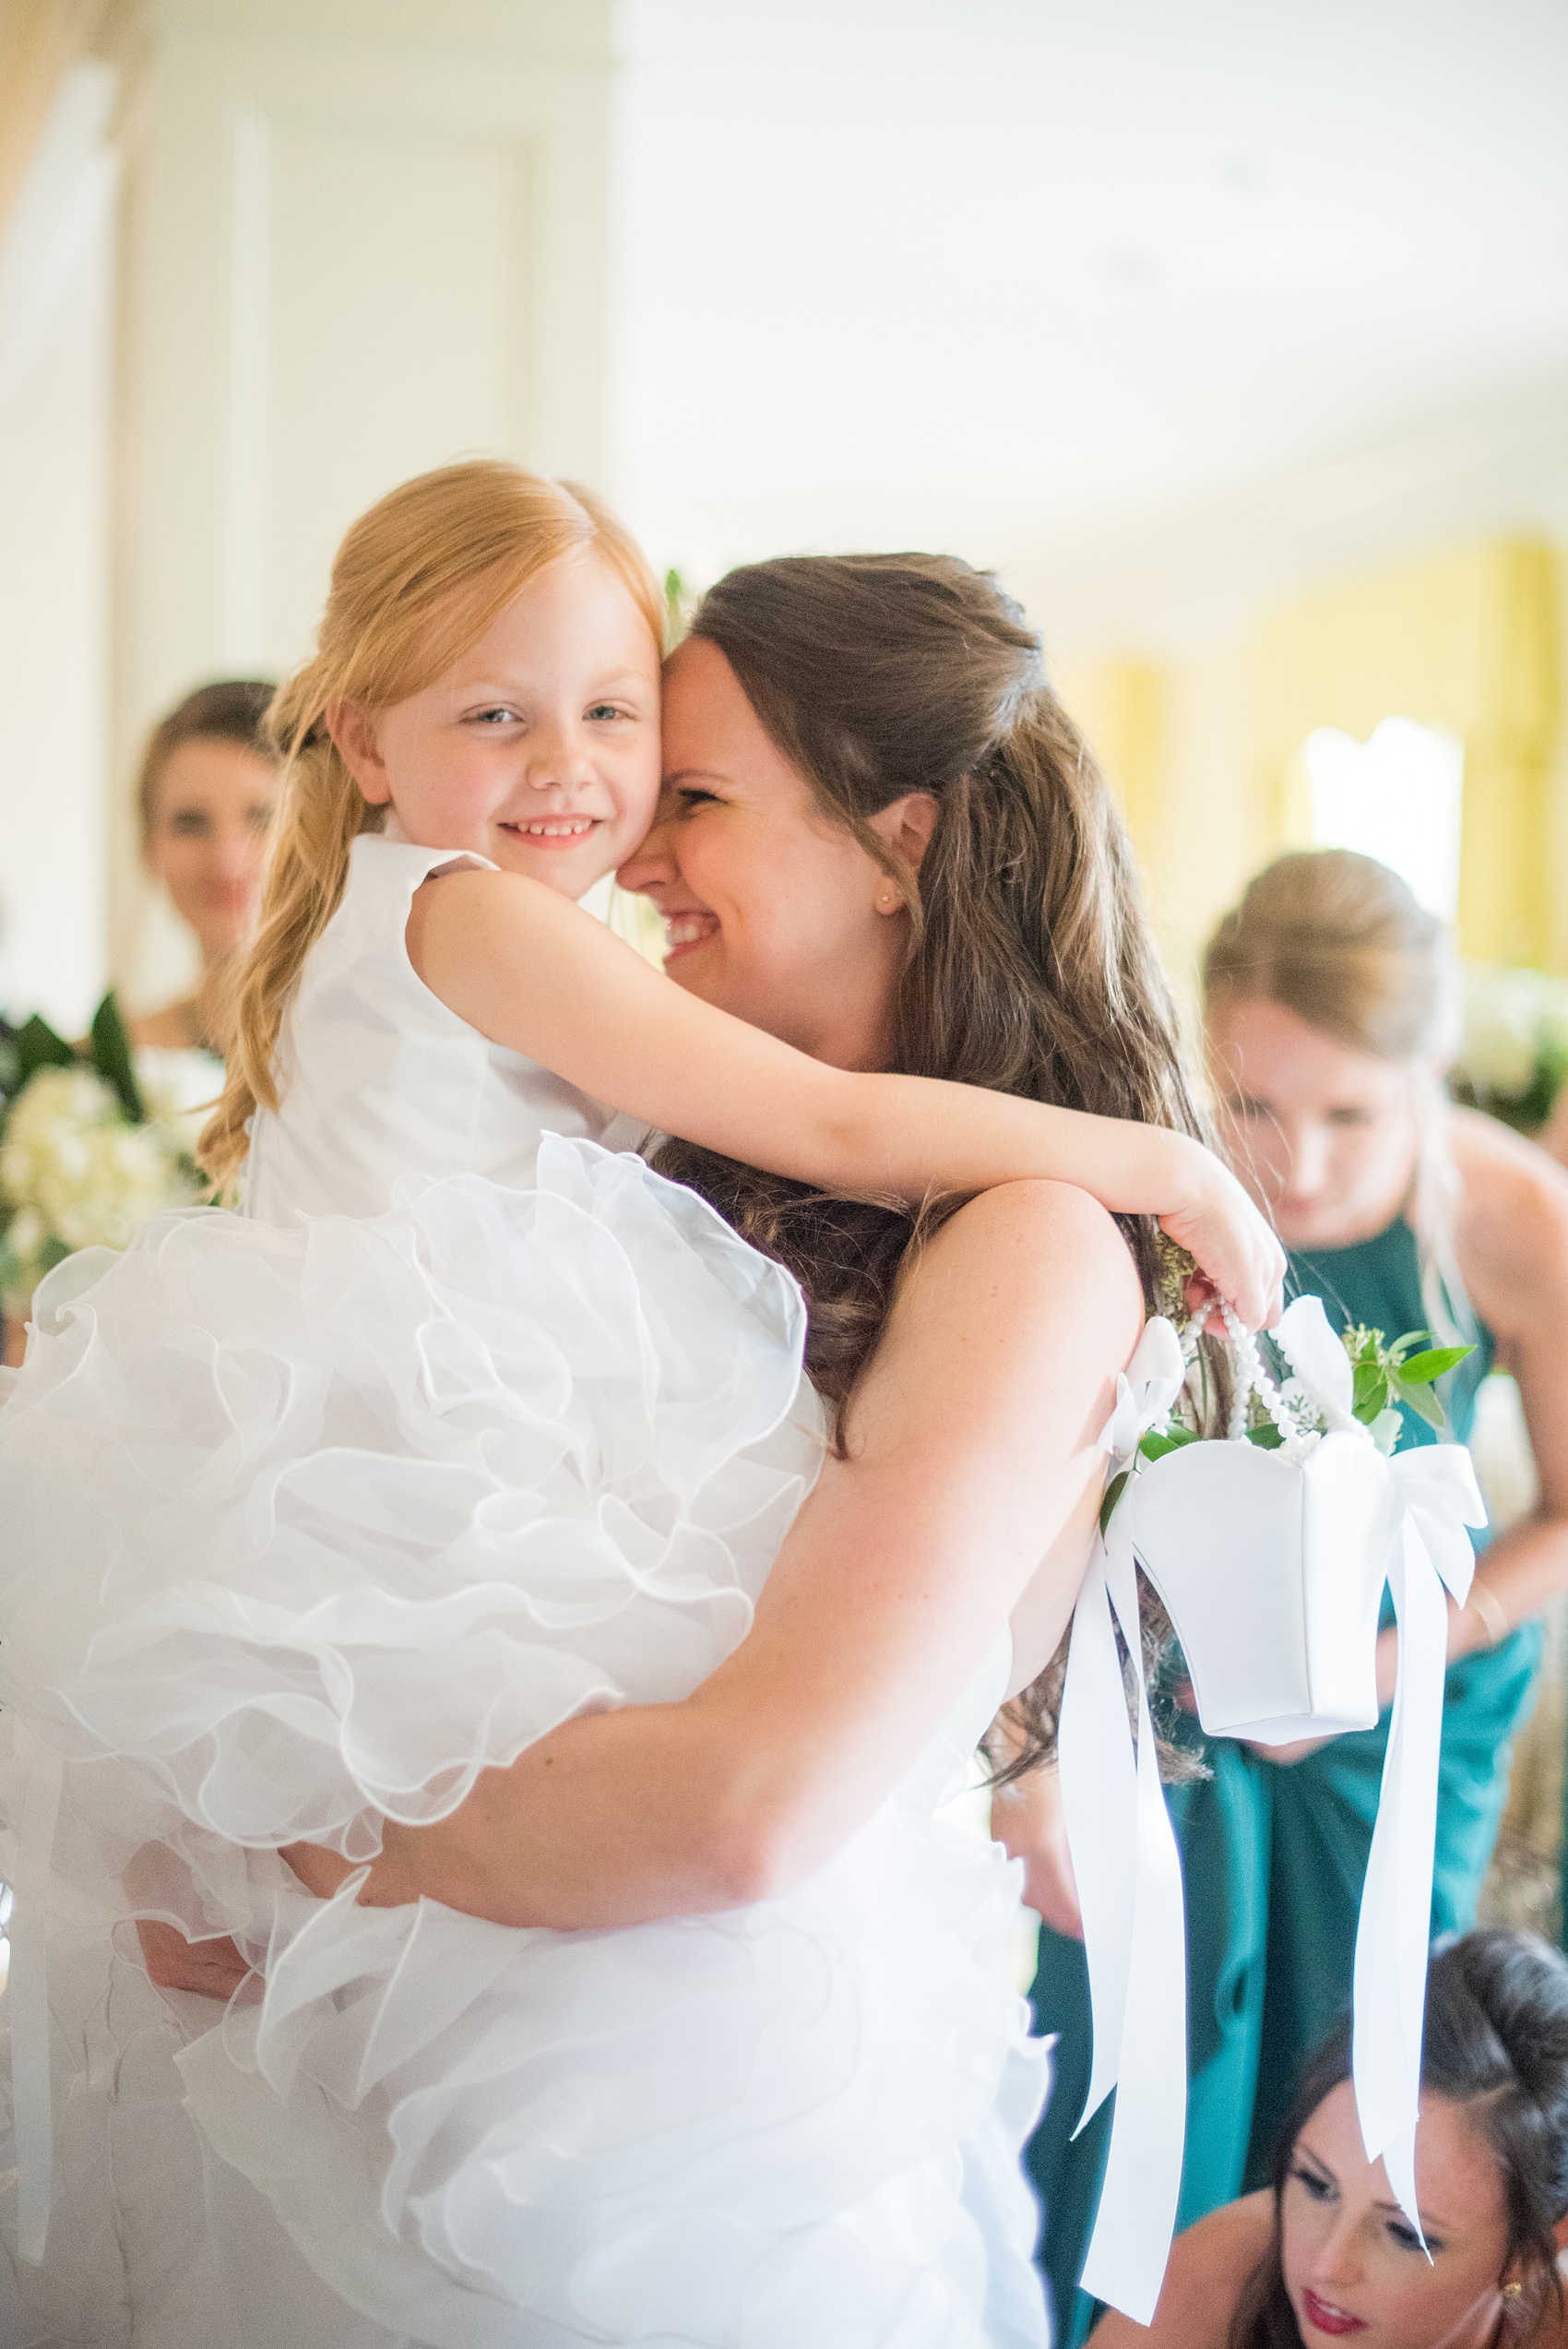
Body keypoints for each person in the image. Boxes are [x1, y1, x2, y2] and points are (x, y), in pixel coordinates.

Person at [0, 466, 1280, 2347]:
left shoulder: (1020, 1238)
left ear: (894, 842)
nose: (627, 839)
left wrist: (297, 1846)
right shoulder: (664, 1141)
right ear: (366, 735)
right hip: (473, 2005)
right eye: (515, 719)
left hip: (661, 2056)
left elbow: (747, 1804)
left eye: (678, 780)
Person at [1012, 849, 1568, 2345]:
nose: (1299, 1162)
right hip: (1180, 1671)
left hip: (1410, 1692)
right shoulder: (1152, 1185)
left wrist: (1387, 1665)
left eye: (1349, 1115)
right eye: (1254, 1105)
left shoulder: (1515, 1224)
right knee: (1141, 2044)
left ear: (1428, 1077)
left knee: (1372, 2074)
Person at [1092, 1928, 1568, 2349]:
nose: (1326, 2264)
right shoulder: (1210, 2291)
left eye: (1406, 2235)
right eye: (1317, 2185)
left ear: (1528, 2254)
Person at [128, 677, 279, 1052]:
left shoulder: (383, 1047)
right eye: (190, 824)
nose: (228, 861)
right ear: (149, 845)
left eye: (262, 819)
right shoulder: (96, 1068)